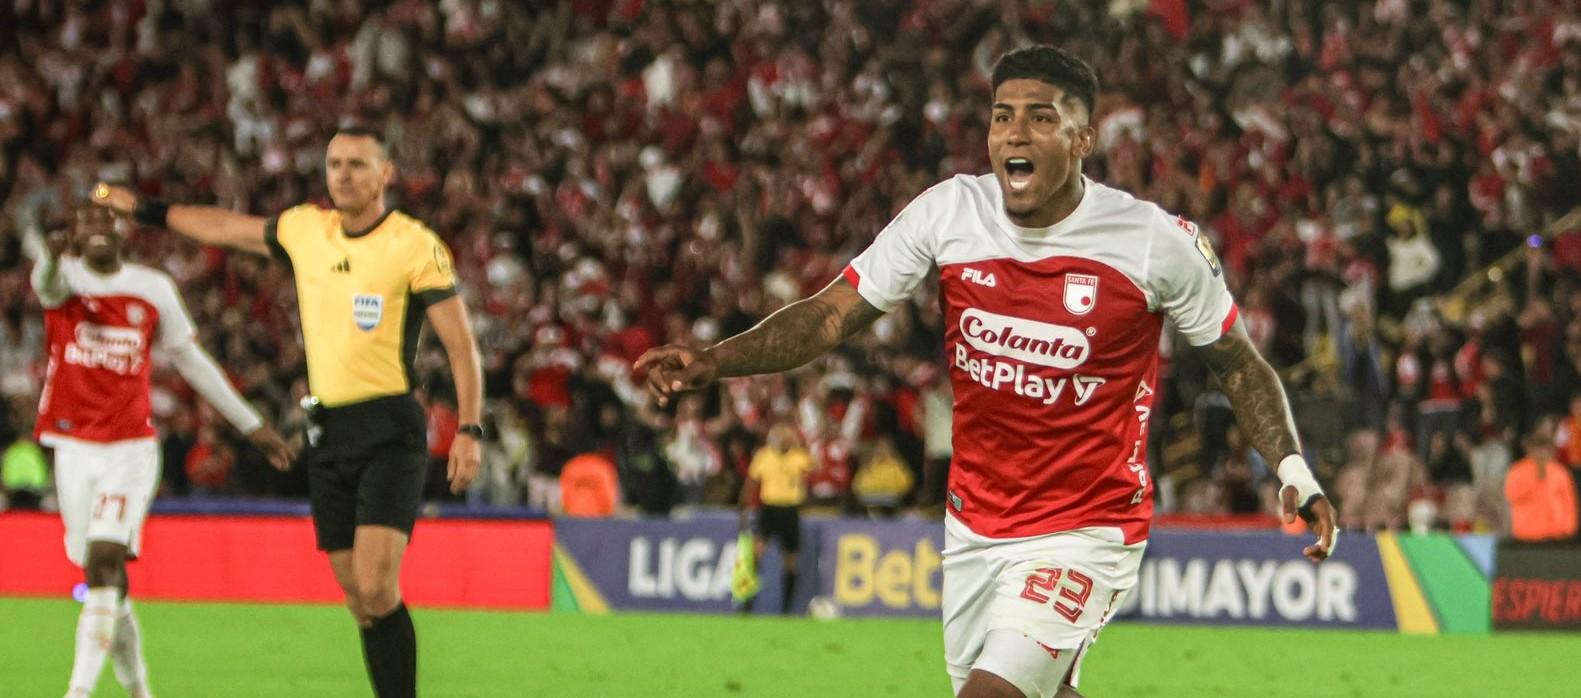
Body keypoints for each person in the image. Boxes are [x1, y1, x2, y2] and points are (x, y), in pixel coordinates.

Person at [638, 46, 1337, 698]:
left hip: (1086, 528)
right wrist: (714, 360)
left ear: (1082, 139)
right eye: (1002, 117)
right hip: (975, 527)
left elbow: (1236, 364)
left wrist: (1291, 468)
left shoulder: (1152, 243)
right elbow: (829, 315)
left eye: (1040, 118)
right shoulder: (950, 213)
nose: (1015, 134)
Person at [91, 124, 483, 698]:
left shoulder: (412, 244)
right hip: (328, 432)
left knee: (377, 587)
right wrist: (144, 210)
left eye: (356, 164)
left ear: (385, 175)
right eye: (334, 164)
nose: (343, 175)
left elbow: (461, 345)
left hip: (389, 429)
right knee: (358, 599)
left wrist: (470, 427)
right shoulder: (306, 230)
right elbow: (223, 227)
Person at [34, 205, 291, 698]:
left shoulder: (152, 288)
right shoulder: (64, 278)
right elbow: (44, 283)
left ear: (123, 231)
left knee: (107, 556)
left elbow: (191, 361)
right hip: (73, 448)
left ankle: (79, 690)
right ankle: (139, 690)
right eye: (86, 220)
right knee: (101, 574)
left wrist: (250, 423)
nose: (97, 229)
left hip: (129, 448)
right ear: (75, 232)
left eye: (107, 221)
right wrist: (48, 258)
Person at [737, 422, 815, 614]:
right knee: (756, 555)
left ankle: (786, 609)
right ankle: (747, 602)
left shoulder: (799, 457)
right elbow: (752, 482)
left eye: (785, 437)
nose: (781, 441)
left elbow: (815, 471)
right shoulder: (763, 456)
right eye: (778, 437)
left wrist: (799, 444)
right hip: (769, 509)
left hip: (790, 510)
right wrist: (744, 505)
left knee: (790, 560)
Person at [1505, 417, 1577, 542]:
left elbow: (1568, 501)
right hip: (1526, 533)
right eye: (1538, 448)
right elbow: (1512, 495)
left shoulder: (1559, 472)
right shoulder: (1518, 471)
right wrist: (1537, 477)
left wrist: (1568, 528)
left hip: (1555, 533)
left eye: (1545, 449)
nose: (1541, 453)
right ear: (1529, 449)